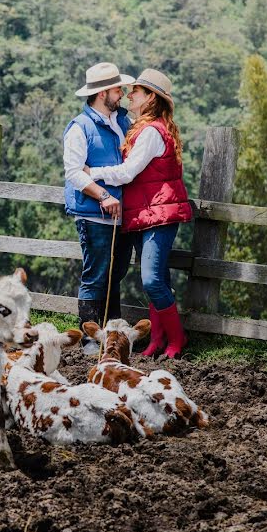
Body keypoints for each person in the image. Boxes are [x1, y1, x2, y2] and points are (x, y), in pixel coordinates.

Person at [84, 69, 193, 358]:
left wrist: (91, 172)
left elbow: (127, 173)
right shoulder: (142, 127)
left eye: (137, 91)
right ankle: (158, 340)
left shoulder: (150, 133)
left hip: (158, 214)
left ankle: (177, 339)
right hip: (146, 213)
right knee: (158, 280)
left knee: (152, 280)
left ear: (150, 98)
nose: (130, 95)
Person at [63, 62, 135, 355]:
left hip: (122, 215)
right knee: (96, 276)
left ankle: (111, 338)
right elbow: (74, 172)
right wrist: (104, 195)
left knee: (115, 274)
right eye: (118, 88)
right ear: (104, 92)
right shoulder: (80, 128)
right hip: (95, 214)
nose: (122, 92)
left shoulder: (124, 123)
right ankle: (91, 341)